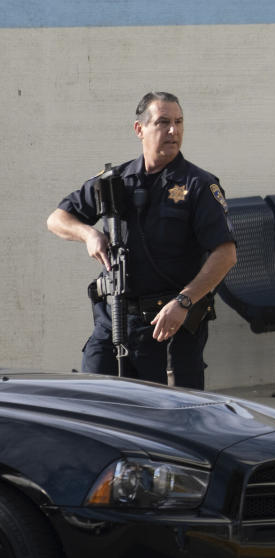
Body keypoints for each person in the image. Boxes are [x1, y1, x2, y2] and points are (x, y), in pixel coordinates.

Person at [46, 91, 236, 390]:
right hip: (115, 319)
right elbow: (57, 219)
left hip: (168, 324)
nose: (173, 130)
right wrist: (89, 234)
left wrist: (184, 302)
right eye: (163, 122)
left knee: (170, 419)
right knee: (94, 405)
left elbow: (225, 254)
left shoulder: (198, 184)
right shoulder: (115, 181)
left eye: (179, 122)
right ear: (140, 129)